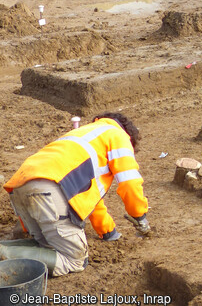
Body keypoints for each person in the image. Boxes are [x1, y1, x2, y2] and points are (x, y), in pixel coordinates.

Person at [1, 112, 151, 276]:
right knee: (74, 260)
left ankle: (6, 249)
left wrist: (108, 232)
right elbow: (130, 182)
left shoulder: (85, 135)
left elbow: (91, 200)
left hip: (20, 185)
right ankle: (4, 254)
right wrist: (139, 215)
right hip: (48, 189)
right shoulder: (118, 136)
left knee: (48, 249)